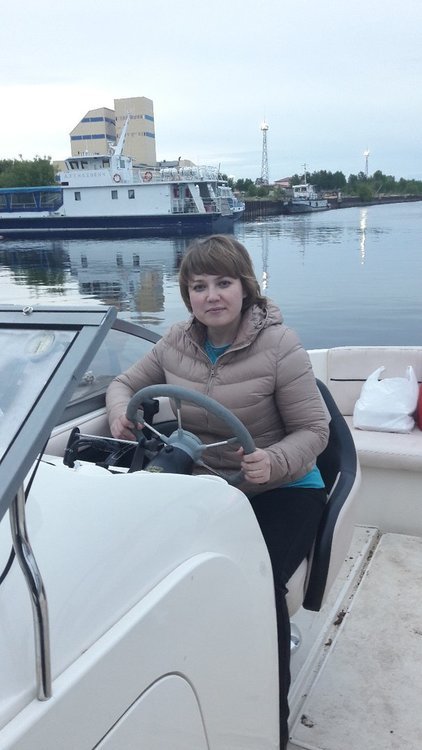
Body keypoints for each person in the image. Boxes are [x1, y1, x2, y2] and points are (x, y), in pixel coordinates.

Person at [106, 234, 329, 749]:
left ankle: (268, 725)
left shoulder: (281, 346)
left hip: (283, 486)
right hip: (208, 485)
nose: (211, 296)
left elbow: (315, 431)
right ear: (187, 295)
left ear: (245, 288)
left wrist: (272, 461)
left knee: (256, 583)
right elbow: (123, 384)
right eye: (199, 286)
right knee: (141, 566)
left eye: (223, 283)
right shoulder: (175, 343)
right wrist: (120, 412)